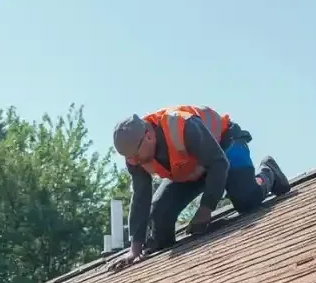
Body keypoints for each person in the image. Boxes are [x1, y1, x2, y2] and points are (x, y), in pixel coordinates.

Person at [109, 105, 291, 271]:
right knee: (160, 217)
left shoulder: (182, 125)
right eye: (128, 158)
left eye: (135, 155)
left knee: (246, 200)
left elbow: (219, 163)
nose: (133, 162)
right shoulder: (134, 153)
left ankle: (269, 172)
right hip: (191, 169)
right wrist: (135, 248)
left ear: (149, 136)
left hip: (225, 148)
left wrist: (206, 208)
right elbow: (141, 197)